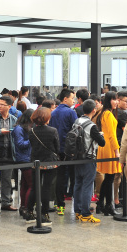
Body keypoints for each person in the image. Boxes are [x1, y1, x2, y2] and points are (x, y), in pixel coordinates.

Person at [73, 99, 105, 223]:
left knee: (78, 183)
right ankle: (86, 214)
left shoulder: (77, 121)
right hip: (88, 157)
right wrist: (100, 135)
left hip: (77, 157)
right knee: (87, 185)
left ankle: (77, 211)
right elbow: (102, 143)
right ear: (94, 110)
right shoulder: (92, 126)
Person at [26, 107, 60, 225]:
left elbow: (32, 145)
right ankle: (44, 214)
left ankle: (29, 212)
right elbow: (57, 147)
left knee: (35, 187)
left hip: (35, 161)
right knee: (46, 188)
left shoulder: (32, 131)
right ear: (47, 118)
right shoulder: (53, 130)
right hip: (50, 162)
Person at [49, 88, 78, 216]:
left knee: (59, 177)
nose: (74, 101)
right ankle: (78, 207)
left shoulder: (53, 112)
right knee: (74, 177)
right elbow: (77, 130)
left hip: (56, 149)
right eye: (72, 98)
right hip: (70, 150)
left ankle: (59, 205)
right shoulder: (71, 113)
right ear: (65, 99)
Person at [93, 91, 122, 216]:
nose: (116, 102)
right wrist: (117, 151)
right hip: (109, 148)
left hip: (104, 147)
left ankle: (102, 205)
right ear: (108, 100)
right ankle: (108, 205)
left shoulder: (103, 113)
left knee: (108, 178)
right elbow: (112, 135)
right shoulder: (108, 114)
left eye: (117, 99)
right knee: (109, 178)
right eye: (114, 99)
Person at [12, 109, 34, 220]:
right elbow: (20, 144)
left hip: (27, 158)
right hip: (24, 159)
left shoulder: (23, 128)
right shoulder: (19, 129)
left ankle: (23, 207)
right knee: (31, 184)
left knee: (25, 184)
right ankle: (27, 208)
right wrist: (32, 139)